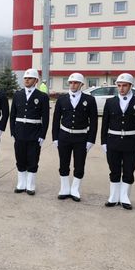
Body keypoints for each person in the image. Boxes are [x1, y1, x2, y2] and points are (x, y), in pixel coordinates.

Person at [101, 73, 135, 210]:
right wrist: (103, 142)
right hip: (113, 141)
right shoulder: (110, 102)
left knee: (128, 171)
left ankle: (125, 197)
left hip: (131, 142)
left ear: (131, 86)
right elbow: (105, 124)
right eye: (119, 85)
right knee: (114, 170)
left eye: (124, 85)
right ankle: (113, 197)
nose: (121, 89)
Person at [52, 73, 98, 202]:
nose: (73, 85)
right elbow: (56, 120)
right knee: (63, 163)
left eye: (76, 83)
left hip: (81, 137)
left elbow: (94, 122)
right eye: (71, 83)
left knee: (79, 164)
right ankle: (64, 188)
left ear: (81, 84)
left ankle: (75, 189)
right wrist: (55, 137)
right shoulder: (62, 99)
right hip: (64, 136)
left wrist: (91, 140)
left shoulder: (89, 100)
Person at [10, 68, 50, 195]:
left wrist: (42, 135)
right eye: (25, 78)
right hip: (20, 132)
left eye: (30, 78)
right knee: (20, 158)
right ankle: (21, 183)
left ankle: (31, 185)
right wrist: (13, 131)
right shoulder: (17, 95)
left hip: (34, 133)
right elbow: (13, 115)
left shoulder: (42, 96)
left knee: (33, 159)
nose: (27, 80)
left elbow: (46, 117)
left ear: (36, 80)